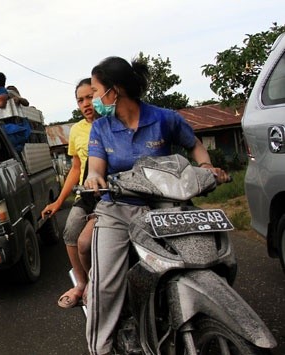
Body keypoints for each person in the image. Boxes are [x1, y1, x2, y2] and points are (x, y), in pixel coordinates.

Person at [83, 56, 230, 355]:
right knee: (104, 286)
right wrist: (95, 178)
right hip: (118, 209)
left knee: (206, 258)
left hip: (166, 208)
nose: (94, 98)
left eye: (96, 91)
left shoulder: (164, 118)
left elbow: (194, 145)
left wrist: (206, 166)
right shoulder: (101, 128)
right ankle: (101, 348)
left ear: (114, 90)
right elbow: (96, 168)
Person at [41, 78, 97, 309]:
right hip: (87, 194)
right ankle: (82, 283)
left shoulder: (114, 124)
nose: (86, 103)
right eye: (80, 100)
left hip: (115, 192)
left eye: (90, 97)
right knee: (71, 231)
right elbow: (75, 167)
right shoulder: (76, 130)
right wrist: (58, 201)